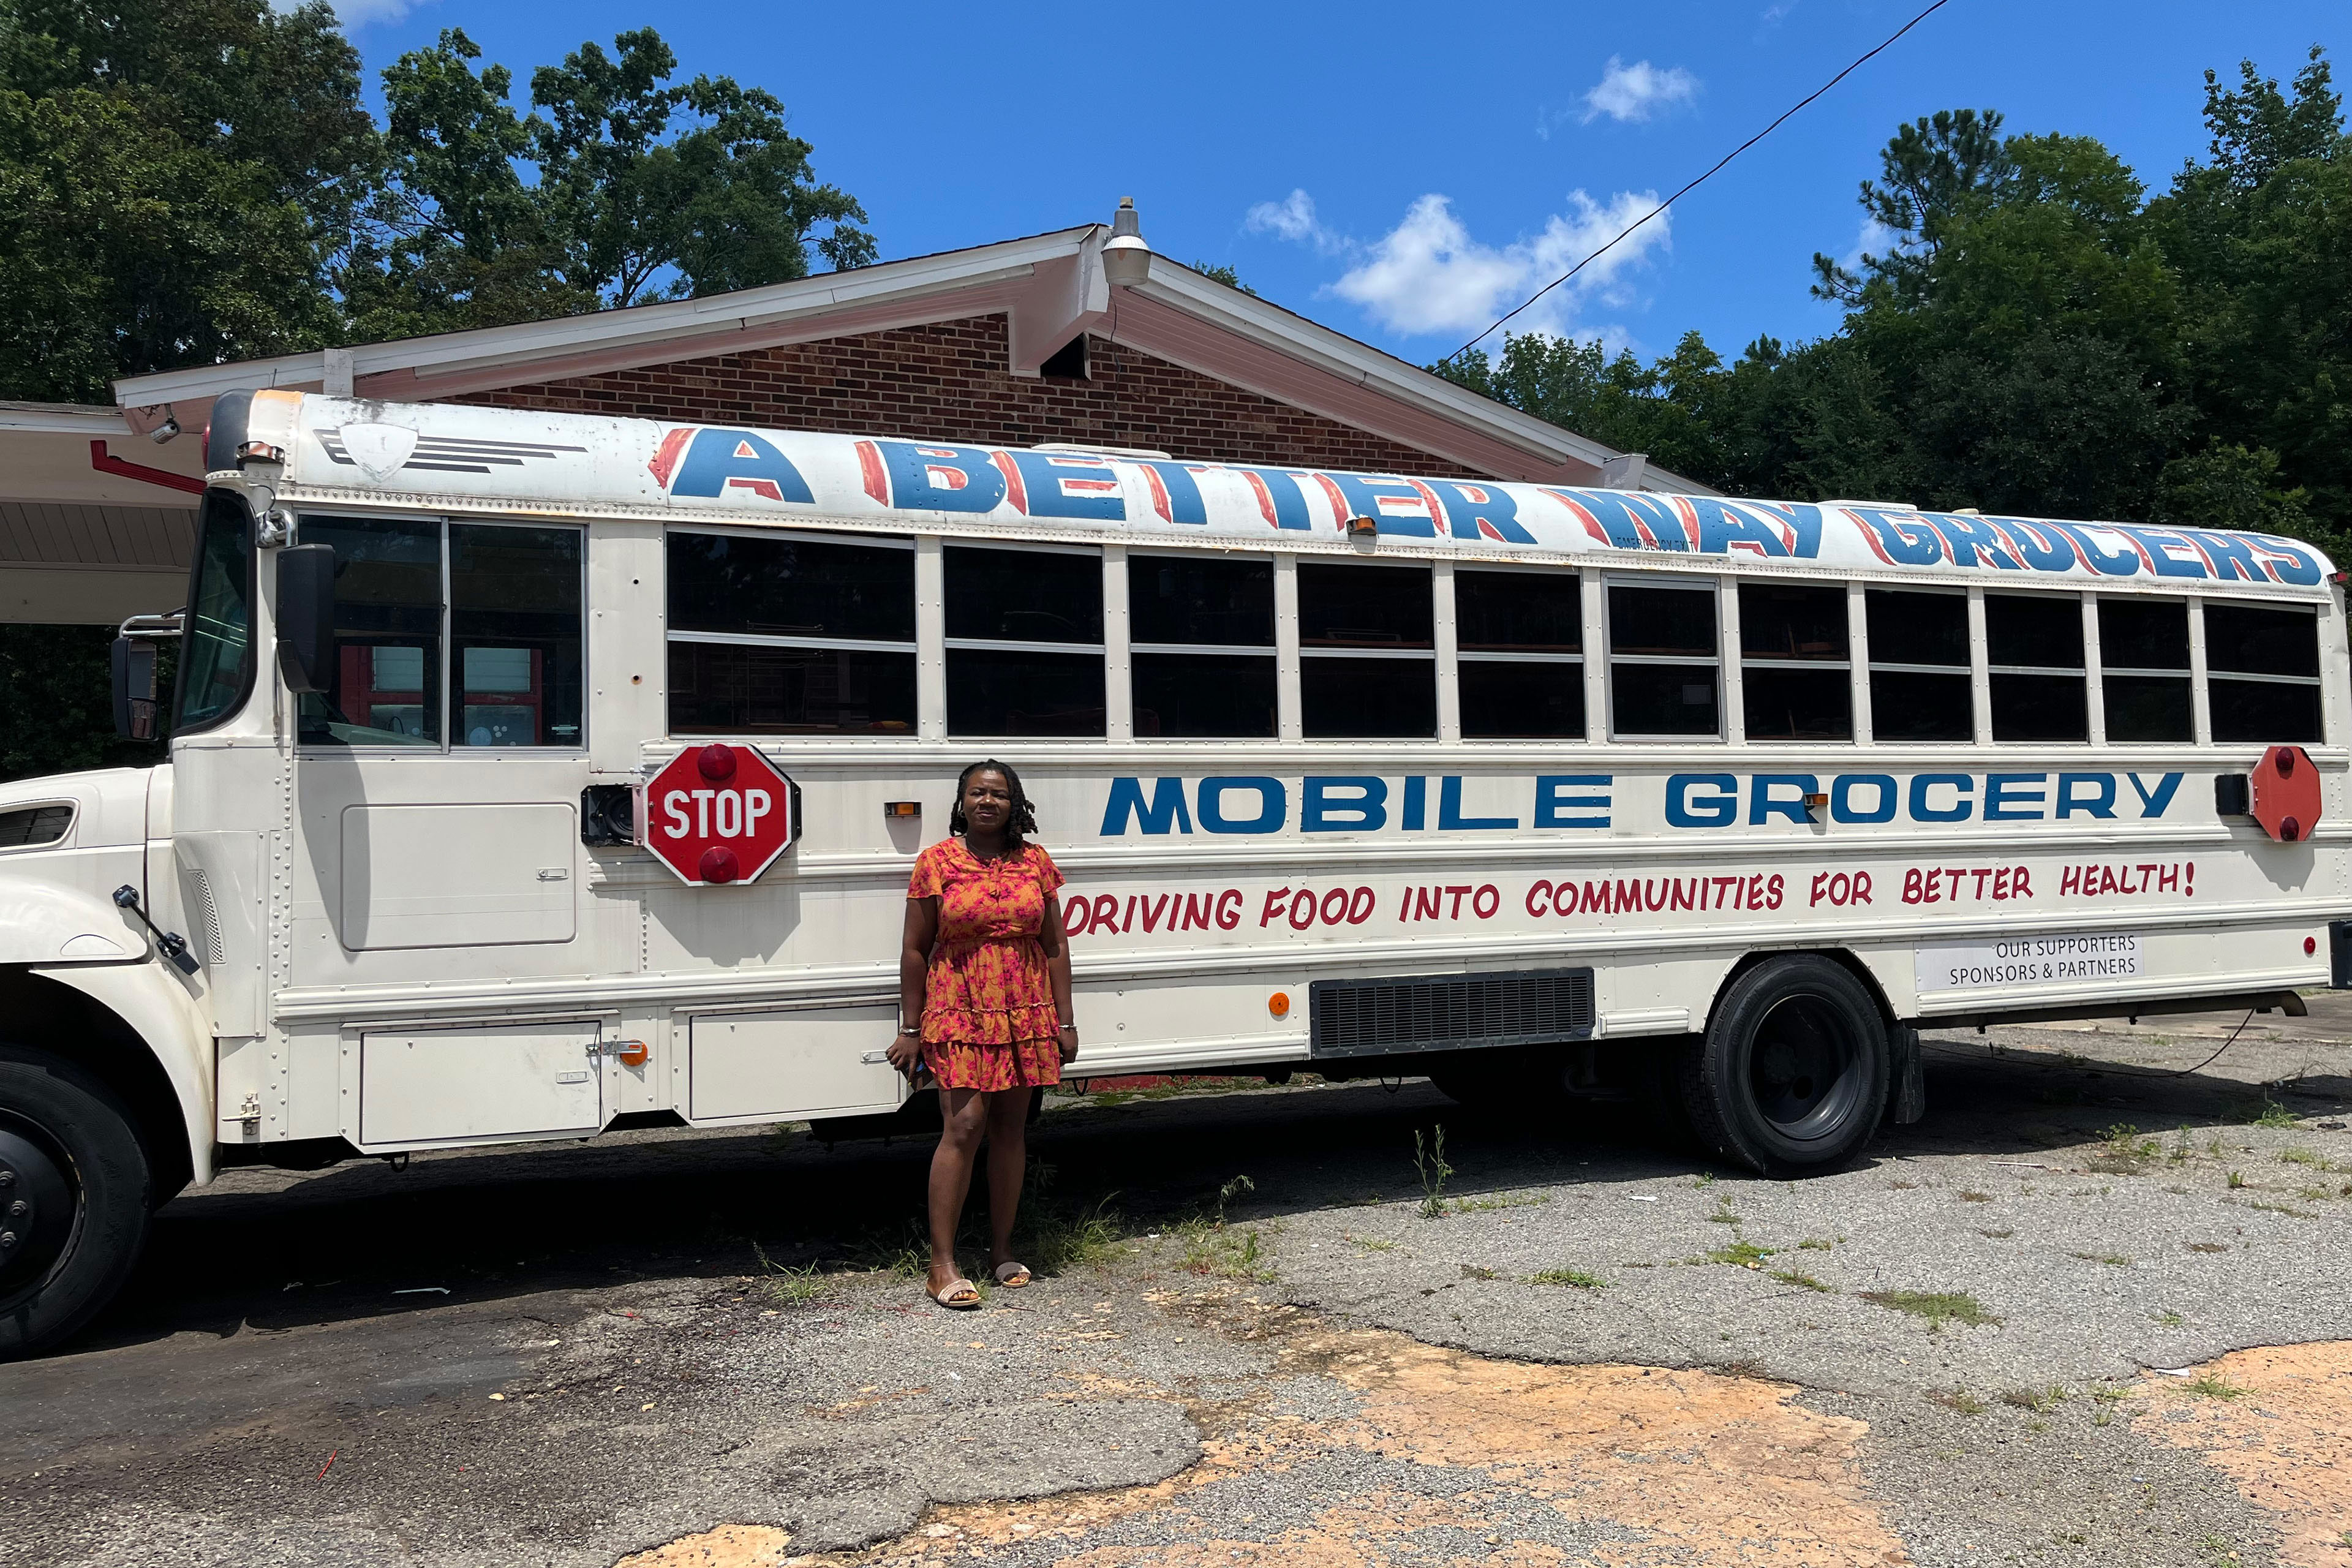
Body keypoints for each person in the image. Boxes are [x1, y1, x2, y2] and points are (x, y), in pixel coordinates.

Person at [887, 760, 1077, 1309]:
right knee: (964, 1126)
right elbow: (915, 949)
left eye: (998, 794)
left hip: (1024, 1009)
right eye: (977, 793)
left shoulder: (1036, 862)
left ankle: (1001, 1250)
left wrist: (1064, 1022)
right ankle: (941, 1265)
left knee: (1012, 1127)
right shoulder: (936, 862)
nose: (987, 802)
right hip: (959, 1006)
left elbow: (1055, 946)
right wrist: (910, 1027)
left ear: (1014, 805)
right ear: (962, 802)